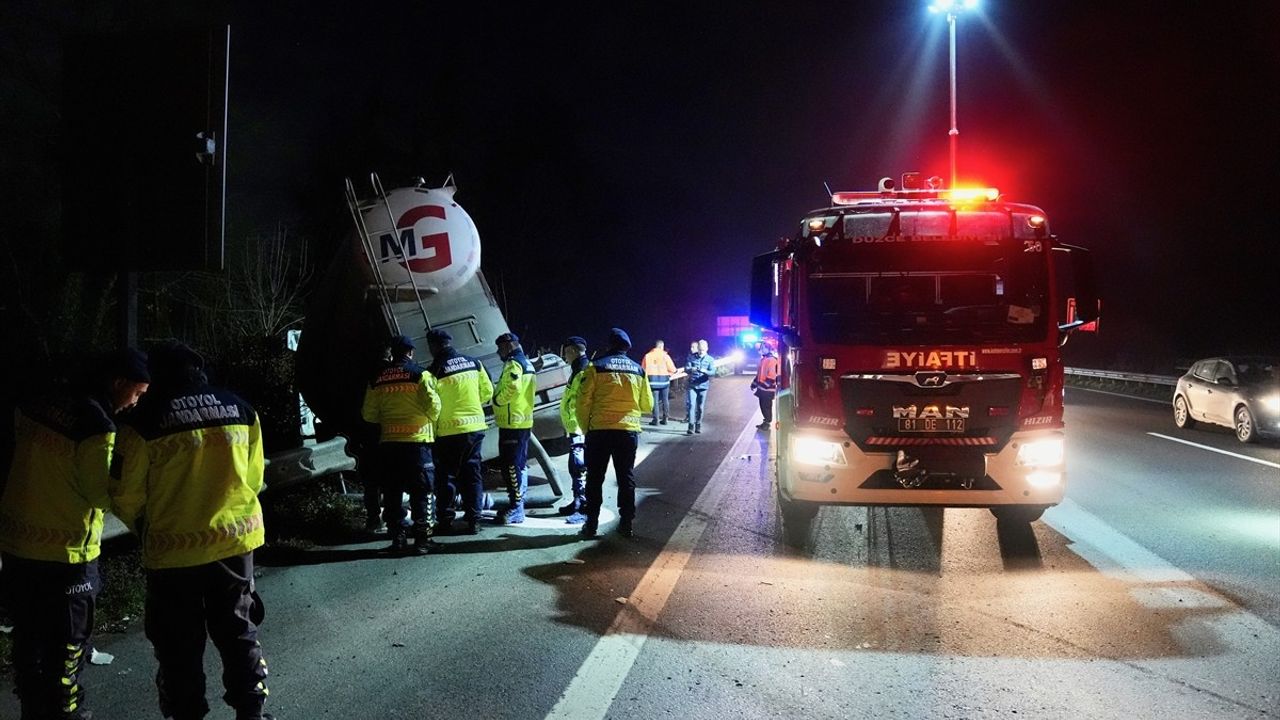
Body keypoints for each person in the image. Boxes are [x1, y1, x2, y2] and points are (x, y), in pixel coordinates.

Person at [111, 341, 273, 720]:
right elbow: (254, 477)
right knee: (238, 632)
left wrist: (143, 525)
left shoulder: (143, 421)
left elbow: (125, 493)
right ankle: (252, 711)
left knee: (178, 644)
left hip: (173, 551)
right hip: (234, 544)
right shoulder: (240, 408)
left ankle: (188, 714)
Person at [0, 348, 149, 720]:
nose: (135, 403)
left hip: (18, 547)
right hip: (67, 556)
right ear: (119, 383)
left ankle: (33, 712)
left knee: (29, 645)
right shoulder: (97, 427)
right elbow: (100, 494)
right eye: (137, 393)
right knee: (67, 654)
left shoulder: (40, 402)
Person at [361, 335, 441, 555]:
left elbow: (369, 414)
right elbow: (434, 408)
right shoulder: (420, 375)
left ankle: (398, 539)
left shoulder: (377, 379)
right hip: (417, 444)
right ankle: (423, 541)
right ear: (410, 352)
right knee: (422, 492)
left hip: (389, 445)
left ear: (392, 353)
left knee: (393, 492)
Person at [575, 328, 652, 539]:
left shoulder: (595, 367)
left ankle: (591, 524)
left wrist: (585, 428)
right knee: (625, 477)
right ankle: (626, 524)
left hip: (599, 432)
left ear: (609, 345)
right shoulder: (638, 370)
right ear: (627, 347)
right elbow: (647, 405)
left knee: (595, 478)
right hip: (627, 432)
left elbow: (582, 402)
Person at [426, 328, 493, 535]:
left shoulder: (433, 370)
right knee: (472, 475)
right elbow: (488, 391)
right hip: (474, 429)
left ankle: (445, 519)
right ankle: (474, 520)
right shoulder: (474, 363)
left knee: (446, 477)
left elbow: (431, 404)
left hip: (447, 432)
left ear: (433, 346)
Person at [492, 332, 535, 524]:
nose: (498, 352)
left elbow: (512, 387)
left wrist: (497, 401)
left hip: (512, 423)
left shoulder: (513, 363)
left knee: (510, 466)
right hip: (522, 422)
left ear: (509, 346)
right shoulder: (527, 363)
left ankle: (516, 507)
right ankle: (519, 504)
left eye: (500, 347)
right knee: (519, 465)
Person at [556, 336, 590, 523]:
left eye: (566, 353)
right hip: (575, 426)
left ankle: (584, 506)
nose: (564, 357)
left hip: (580, 427)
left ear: (573, 351)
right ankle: (578, 501)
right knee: (575, 467)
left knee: (580, 467)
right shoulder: (578, 368)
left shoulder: (583, 370)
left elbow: (583, 401)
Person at [684, 339, 716, 435]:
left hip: (703, 386)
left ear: (706, 349)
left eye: (703, 350)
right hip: (692, 385)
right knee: (691, 406)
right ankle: (690, 426)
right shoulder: (691, 357)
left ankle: (698, 424)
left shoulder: (710, 359)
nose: (701, 352)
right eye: (699, 350)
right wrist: (691, 369)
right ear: (697, 349)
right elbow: (686, 368)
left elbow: (713, 372)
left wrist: (705, 371)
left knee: (700, 407)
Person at [641, 339, 677, 426]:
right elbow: (673, 369)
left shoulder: (647, 356)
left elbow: (642, 369)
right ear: (661, 346)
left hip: (652, 381)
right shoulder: (665, 356)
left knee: (655, 401)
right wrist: (670, 374)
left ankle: (655, 420)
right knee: (665, 400)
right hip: (664, 381)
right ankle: (665, 419)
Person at [751, 343, 781, 430]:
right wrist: (754, 383)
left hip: (767, 390)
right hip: (762, 389)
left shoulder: (772, 360)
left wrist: (764, 386)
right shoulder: (764, 359)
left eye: (761, 348)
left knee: (766, 406)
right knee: (763, 406)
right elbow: (759, 374)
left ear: (767, 348)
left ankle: (767, 423)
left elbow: (772, 376)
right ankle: (765, 422)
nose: (759, 350)